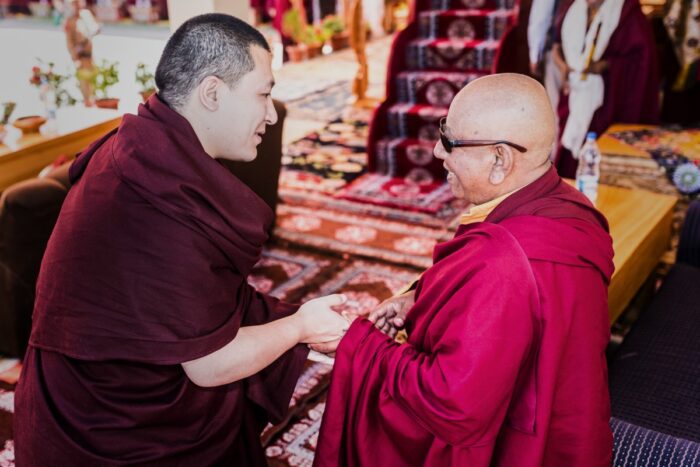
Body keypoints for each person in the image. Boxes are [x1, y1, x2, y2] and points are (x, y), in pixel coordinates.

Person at [14, 13, 349, 466]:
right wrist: (298, 328)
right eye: (264, 94)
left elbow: (201, 292)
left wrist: (301, 322)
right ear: (212, 93)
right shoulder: (149, 197)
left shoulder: (143, 148)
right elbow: (209, 365)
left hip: (103, 385)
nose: (271, 113)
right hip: (106, 424)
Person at [313, 74, 615, 466]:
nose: (438, 151)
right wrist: (417, 297)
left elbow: (451, 402)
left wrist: (358, 343)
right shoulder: (570, 207)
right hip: (571, 420)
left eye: (451, 141)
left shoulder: (503, 262)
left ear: (500, 159)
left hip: (518, 448)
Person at [551, 0, 659, 178]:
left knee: (598, 153)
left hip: (608, 97)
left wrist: (605, 66)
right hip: (575, 94)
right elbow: (556, 46)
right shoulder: (572, 8)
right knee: (567, 155)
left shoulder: (627, 12)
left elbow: (641, 59)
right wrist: (564, 68)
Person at [63, 0, 100, 106]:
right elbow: (69, 43)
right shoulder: (70, 21)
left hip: (91, 56)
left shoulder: (86, 15)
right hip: (81, 58)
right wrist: (75, 56)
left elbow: (95, 29)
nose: (78, 5)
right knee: (86, 88)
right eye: (75, 3)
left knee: (95, 85)